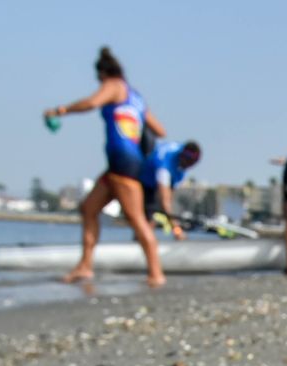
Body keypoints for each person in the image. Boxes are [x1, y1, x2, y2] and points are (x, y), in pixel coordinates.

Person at [43, 47, 168, 287]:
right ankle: (85, 266)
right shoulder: (137, 97)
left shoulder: (113, 85)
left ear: (102, 73)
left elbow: (92, 102)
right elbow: (160, 130)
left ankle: (156, 273)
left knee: (136, 218)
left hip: (123, 162)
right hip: (118, 164)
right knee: (89, 208)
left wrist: (61, 110)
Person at [142, 140, 202, 240]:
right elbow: (165, 202)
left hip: (154, 181)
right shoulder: (165, 166)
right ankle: (143, 243)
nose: (190, 166)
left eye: (194, 163)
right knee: (149, 218)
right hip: (142, 179)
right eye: (190, 162)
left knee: (156, 214)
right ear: (183, 157)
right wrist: (177, 229)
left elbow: (170, 197)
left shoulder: (181, 160)